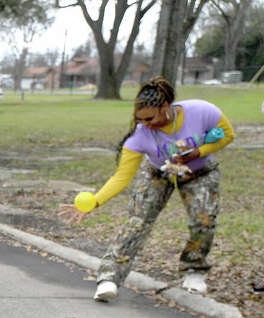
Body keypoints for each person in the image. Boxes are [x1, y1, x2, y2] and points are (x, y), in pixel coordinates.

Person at [60, 76, 235, 301]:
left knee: (203, 218)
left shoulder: (202, 111)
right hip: (157, 172)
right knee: (138, 221)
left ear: (165, 107)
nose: (146, 124)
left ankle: (194, 270)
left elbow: (228, 135)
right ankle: (109, 278)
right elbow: (121, 176)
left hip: (199, 173)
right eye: (140, 119)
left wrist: (198, 152)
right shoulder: (140, 136)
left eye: (150, 118)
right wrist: (94, 201)